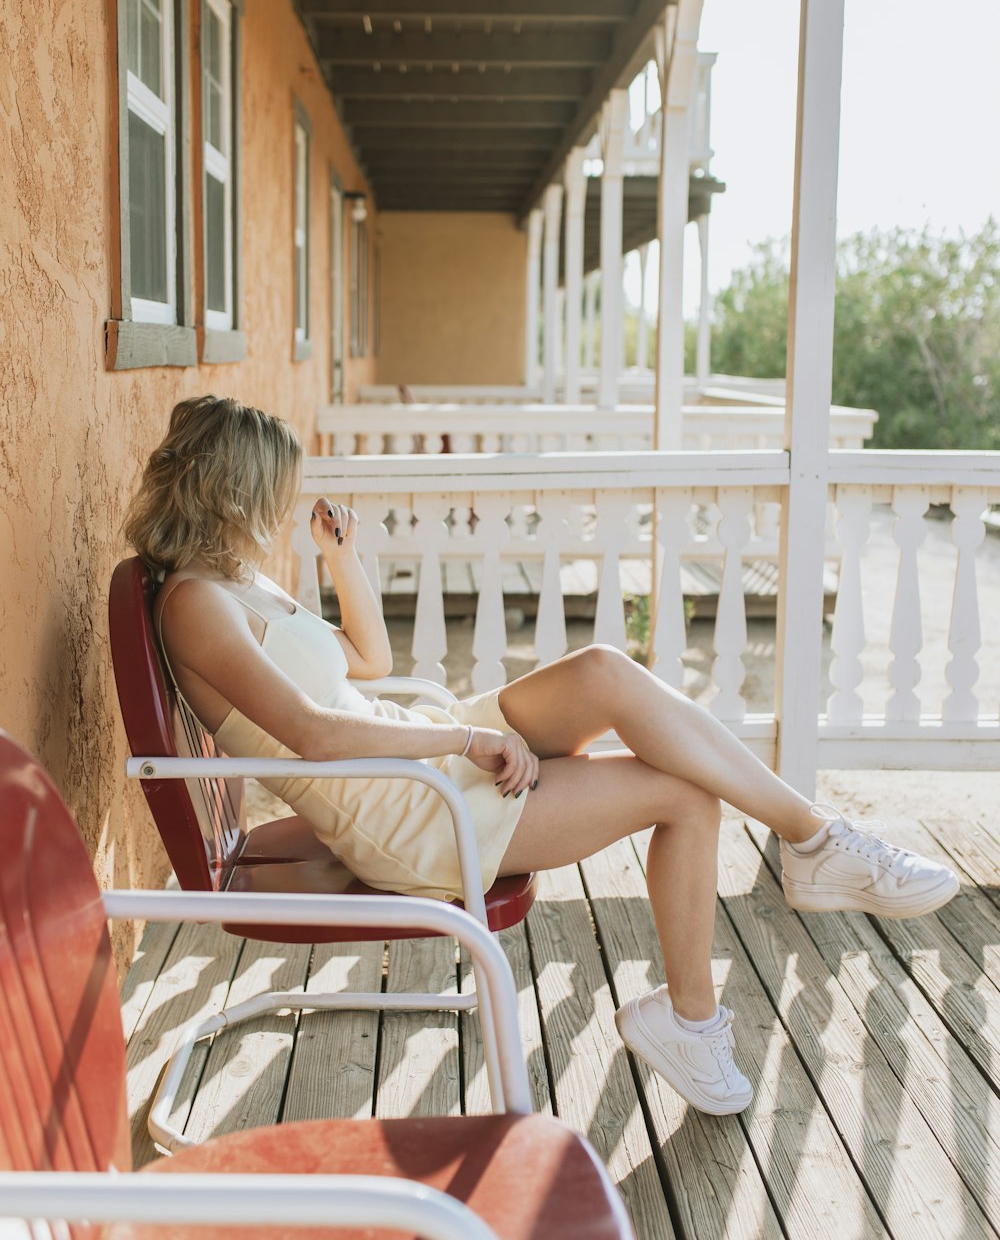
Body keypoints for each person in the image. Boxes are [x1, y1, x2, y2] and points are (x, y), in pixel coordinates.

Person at [124, 395, 959, 1119]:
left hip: (418, 752)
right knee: (685, 795)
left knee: (603, 669)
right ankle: (697, 1018)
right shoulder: (196, 604)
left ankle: (813, 839)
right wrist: (466, 738)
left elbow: (365, 664)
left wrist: (342, 561)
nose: (286, 501)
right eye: (276, 485)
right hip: (408, 811)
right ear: (233, 487)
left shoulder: (238, 580)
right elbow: (314, 735)